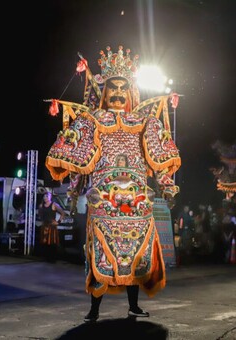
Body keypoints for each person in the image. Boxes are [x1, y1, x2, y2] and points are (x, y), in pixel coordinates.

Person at [45, 45, 181, 322]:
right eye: (112, 89)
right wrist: (73, 192)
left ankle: (133, 305)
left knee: (134, 257)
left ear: (131, 92)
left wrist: (167, 184)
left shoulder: (145, 122)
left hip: (137, 204)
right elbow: (80, 162)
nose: (117, 94)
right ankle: (94, 309)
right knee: (100, 257)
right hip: (103, 202)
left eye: (122, 89)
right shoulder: (91, 121)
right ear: (104, 92)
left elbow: (156, 159)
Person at [38, 191, 65, 262]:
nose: (45, 198)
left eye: (47, 196)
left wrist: (58, 222)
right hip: (44, 225)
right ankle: (46, 258)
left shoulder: (54, 205)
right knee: (44, 242)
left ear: (50, 197)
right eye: (44, 196)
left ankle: (53, 259)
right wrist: (42, 221)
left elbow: (62, 213)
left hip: (52, 226)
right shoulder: (41, 205)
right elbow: (40, 214)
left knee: (52, 242)